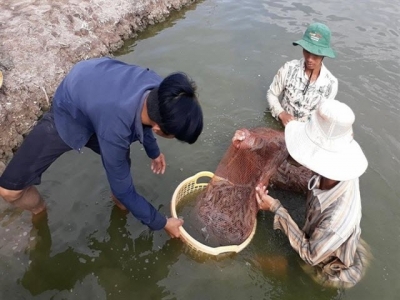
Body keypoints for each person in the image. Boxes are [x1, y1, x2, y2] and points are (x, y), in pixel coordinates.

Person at [0, 57, 203, 239]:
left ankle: (120, 206)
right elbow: (125, 186)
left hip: (102, 97)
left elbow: (151, 119)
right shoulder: (116, 129)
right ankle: (39, 210)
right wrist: (163, 223)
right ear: (159, 129)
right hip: (72, 110)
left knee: (121, 187)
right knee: (9, 191)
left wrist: (154, 152)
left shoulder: (168, 92)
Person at [255, 100, 371, 288]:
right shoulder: (336, 170)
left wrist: (276, 208)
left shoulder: (335, 222)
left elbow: (310, 255)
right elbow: (297, 156)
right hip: (331, 237)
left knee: (261, 263)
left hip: (329, 265)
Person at [267, 22, 338, 126]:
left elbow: (324, 115)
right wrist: (281, 114)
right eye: (307, 51)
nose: (309, 59)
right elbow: (272, 94)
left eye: (315, 55)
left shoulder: (330, 84)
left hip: (306, 132)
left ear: (324, 55)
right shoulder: (288, 68)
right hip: (280, 124)